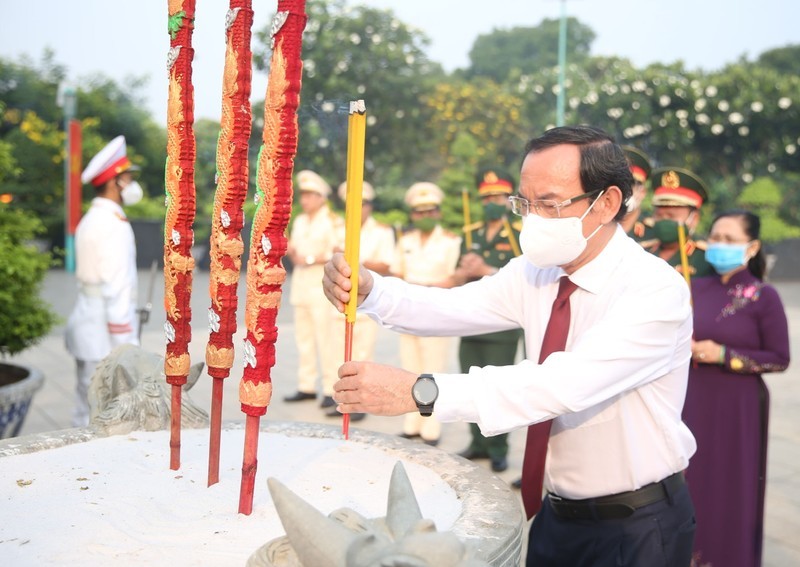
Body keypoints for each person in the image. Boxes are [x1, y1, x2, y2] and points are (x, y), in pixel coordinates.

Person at [323, 126, 697, 567]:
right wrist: (371, 292)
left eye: (551, 204)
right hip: (553, 513)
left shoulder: (654, 290)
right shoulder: (536, 272)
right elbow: (449, 307)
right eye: (525, 203)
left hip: (637, 524)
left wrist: (419, 391)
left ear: (608, 203)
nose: (533, 218)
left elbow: (560, 385)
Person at [683, 210, 790, 567]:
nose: (719, 245)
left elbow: (779, 358)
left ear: (752, 246)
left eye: (729, 239)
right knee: (693, 482)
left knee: (732, 486)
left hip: (739, 407)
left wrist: (724, 354)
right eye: (715, 237)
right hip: (693, 400)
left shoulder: (763, 296)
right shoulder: (693, 287)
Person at [65, 135, 143, 427]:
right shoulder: (112, 224)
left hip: (89, 324)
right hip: (104, 333)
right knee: (104, 412)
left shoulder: (93, 218)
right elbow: (117, 288)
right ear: (115, 182)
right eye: (128, 178)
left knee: (85, 406)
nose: (132, 185)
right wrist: (127, 345)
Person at [454, 167, 522, 473]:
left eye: (497, 196)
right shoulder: (470, 233)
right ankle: (477, 443)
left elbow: (524, 278)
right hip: (470, 320)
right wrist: (464, 270)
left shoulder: (520, 234)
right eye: (487, 197)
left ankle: (498, 447)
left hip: (502, 325)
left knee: (498, 387)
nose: (492, 202)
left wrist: (486, 270)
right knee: (469, 382)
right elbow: (458, 274)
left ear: (508, 199)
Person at [390, 182, 461, 445]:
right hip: (408, 312)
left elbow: (454, 278)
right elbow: (396, 273)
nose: (425, 217)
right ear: (413, 215)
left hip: (435, 313)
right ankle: (412, 424)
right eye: (419, 213)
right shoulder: (405, 241)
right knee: (410, 369)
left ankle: (431, 429)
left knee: (432, 370)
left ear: (438, 213)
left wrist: (421, 287)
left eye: (430, 211)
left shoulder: (451, 242)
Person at [326, 180, 396, 420]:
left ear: (369, 206)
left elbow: (387, 263)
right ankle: (339, 399)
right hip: (342, 297)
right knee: (335, 350)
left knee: (362, 353)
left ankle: (359, 404)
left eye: (362, 203)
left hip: (366, 299)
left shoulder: (382, 232)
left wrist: (358, 262)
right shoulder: (338, 228)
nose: (357, 209)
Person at [284, 170, 344, 410]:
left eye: (309, 195)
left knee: (326, 339)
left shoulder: (333, 220)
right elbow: (295, 249)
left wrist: (310, 258)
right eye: (303, 195)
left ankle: (330, 388)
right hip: (301, 285)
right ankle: (306, 386)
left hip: (322, 287)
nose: (304, 200)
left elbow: (339, 251)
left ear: (321, 197)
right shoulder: (299, 221)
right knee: (304, 338)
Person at [638, 167, 714, 277]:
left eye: (671, 216)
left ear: (694, 218)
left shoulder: (705, 258)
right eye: (659, 215)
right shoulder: (642, 251)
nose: (664, 220)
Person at [619, 145, 652, 236]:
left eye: (630, 183)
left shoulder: (650, 234)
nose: (621, 189)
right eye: (617, 182)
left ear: (642, 192)